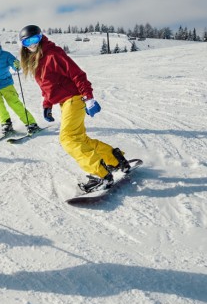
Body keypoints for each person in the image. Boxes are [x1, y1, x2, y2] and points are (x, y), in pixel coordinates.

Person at [18, 25, 130, 192]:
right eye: (28, 42)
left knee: (68, 138)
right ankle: (116, 160)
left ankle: (101, 174)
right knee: (80, 139)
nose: (32, 44)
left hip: (74, 99)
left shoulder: (53, 54)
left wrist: (89, 97)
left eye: (35, 39)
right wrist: (47, 104)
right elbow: (47, 86)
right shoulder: (36, 60)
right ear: (23, 44)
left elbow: (77, 74)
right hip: (66, 102)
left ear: (41, 37)